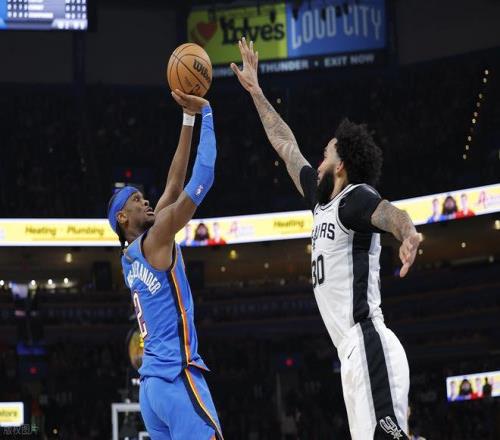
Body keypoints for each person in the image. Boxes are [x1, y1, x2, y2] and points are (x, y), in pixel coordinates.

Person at [232, 37, 420, 440]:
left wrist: (408, 233)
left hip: (368, 343)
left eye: (325, 156)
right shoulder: (321, 203)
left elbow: (391, 213)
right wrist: (256, 92)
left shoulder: (354, 199)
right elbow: (286, 146)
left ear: (342, 166)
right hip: (350, 355)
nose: (317, 163)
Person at [106, 90, 223, 440]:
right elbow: (202, 178)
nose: (146, 202)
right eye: (137, 200)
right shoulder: (156, 239)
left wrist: (187, 119)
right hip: (176, 377)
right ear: (123, 217)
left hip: (151, 391)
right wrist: (206, 114)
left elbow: (173, 184)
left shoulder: (130, 256)